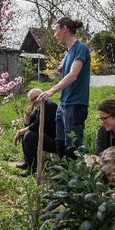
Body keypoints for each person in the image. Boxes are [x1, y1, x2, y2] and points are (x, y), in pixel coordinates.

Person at [38, 16, 90, 160]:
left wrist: (52, 90)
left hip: (75, 103)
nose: (55, 35)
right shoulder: (67, 53)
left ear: (64, 29)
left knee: (72, 145)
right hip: (64, 103)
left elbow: (73, 75)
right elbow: (64, 74)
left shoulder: (81, 48)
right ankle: (64, 177)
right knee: (60, 143)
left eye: (56, 31)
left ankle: (76, 180)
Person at [13, 88, 58, 177]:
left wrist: (20, 132)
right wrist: (27, 113)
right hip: (46, 137)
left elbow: (36, 126)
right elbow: (27, 124)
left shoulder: (49, 106)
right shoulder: (38, 108)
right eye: (32, 100)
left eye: (36, 97)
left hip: (55, 141)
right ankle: (28, 163)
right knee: (26, 133)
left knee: (28, 135)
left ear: (42, 95)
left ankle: (32, 169)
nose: (34, 101)